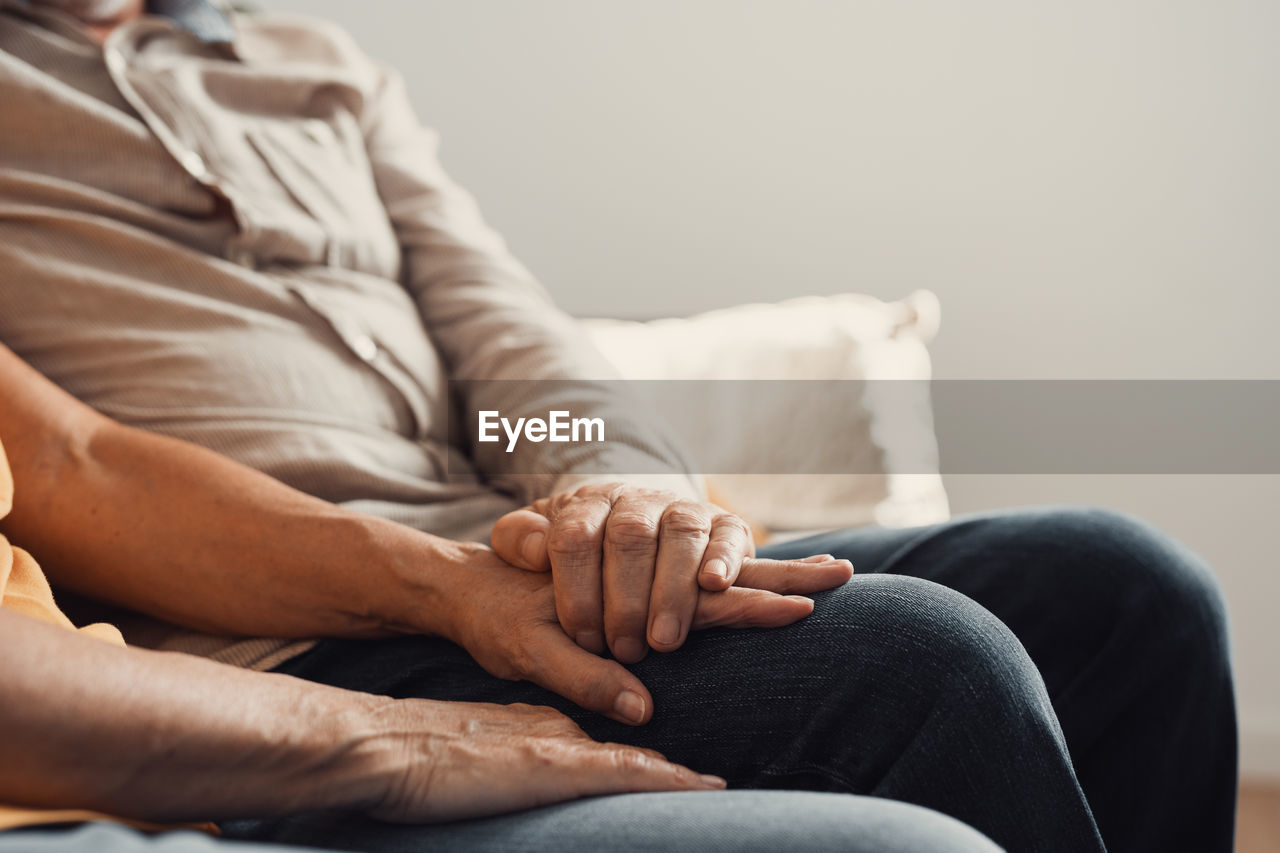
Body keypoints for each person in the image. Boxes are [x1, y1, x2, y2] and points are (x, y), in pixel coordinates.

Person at [0, 1, 1237, 851]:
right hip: (285, 628)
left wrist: (613, 490)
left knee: (1121, 586)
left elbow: (503, 351)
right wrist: (442, 586)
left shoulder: (309, 62)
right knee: (922, 657)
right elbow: (69, 467)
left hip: (502, 558)